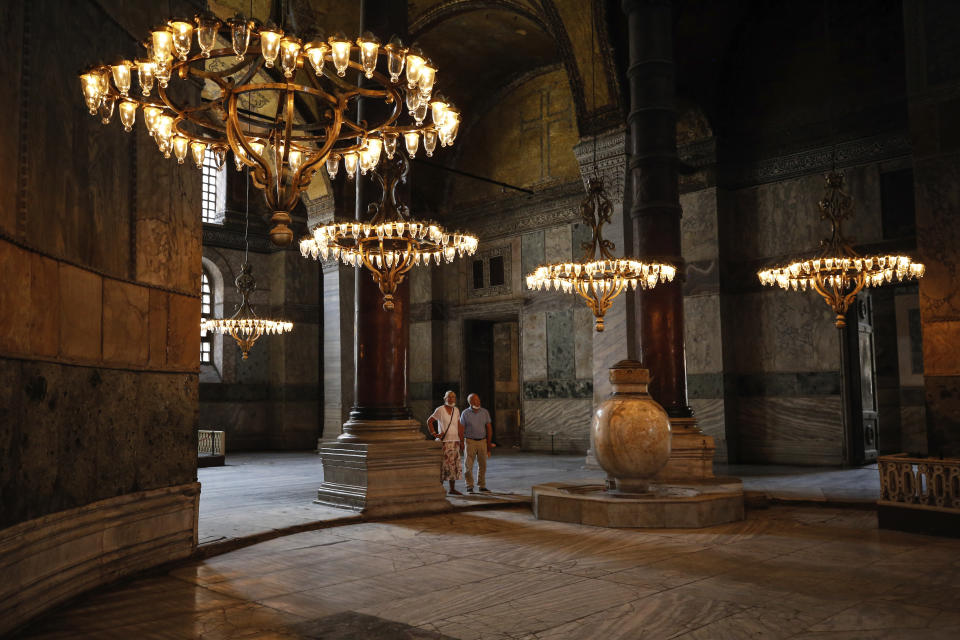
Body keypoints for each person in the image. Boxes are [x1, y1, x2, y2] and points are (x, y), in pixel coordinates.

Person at [427, 390, 464, 495]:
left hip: (455, 441)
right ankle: (439, 488)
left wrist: (461, 440)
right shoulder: (440, 410)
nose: (451, 399)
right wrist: (435, 434)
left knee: (454, 465)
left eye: (453, 397)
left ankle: (452, 489)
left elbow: (459, 425)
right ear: (445, 399)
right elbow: (429, 421)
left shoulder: (456, 410)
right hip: (445, 442)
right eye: (449, 397)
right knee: (443, 465)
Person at [459, 393, 495, 493]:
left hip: (482, 441)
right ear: (470, 402)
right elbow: (461, 429)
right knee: (468, 465)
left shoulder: (485, 412)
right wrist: (461, 442)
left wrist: (489, 444)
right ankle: (469, 486)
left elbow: (489, 428)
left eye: (478, 400)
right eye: (474, 400)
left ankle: (482, 485)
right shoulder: (465, 413)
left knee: (483, 464)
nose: (477, 402)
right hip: (470, 441)